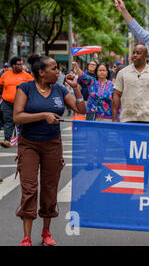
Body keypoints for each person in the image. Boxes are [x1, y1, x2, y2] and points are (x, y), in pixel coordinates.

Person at [13, 54, 86, 246]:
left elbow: (81, 110)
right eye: (54, 69)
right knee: (29, 188)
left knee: (49, 188)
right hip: (28, 144)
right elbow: (18, 117)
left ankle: (46, 232)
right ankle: (26, 236)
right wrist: (43, 115)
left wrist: (76, 87)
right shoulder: (25, 88)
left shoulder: (60, 90)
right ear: (41, 72)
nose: (58, 72)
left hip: (52, 144)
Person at [112, 44, 149, 124]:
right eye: (133, 53)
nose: (134, 55)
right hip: (127, 119)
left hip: (148, 119)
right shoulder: (123, 73)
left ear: (145, 57)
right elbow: (116, 95)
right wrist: (114, 118)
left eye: (138, 53)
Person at [0, 57, 33, 148]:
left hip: (21, 103)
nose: (21, 66)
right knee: (8, 121)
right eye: (19, 64)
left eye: (21, 64)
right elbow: (1, 86)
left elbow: (32, 88)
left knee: (21, 121)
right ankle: (7, 140)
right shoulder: (5, 75)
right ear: (13, 65)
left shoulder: (26, 76)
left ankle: (22, 140)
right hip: (7, 103)